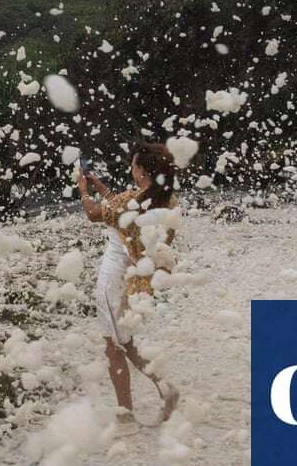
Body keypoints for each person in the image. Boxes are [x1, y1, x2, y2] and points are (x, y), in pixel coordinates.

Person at [76, 141, 181, 425]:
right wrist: (98, 184)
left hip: (114, 276)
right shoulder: (164, 201)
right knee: (126, 343)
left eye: (134, 165)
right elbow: (118, 207)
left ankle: (125, 417)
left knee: (114, 347)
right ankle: (165, 390)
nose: (131, 169)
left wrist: (83, 189)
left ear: (143, 171)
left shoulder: (132, 202)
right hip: (136, 277)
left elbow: (95, 214)